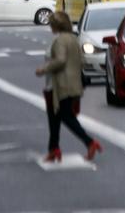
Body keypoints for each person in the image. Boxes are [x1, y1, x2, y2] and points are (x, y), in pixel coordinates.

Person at [34, 10, 101, 163]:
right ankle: (53, 149)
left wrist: (43, 69)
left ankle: (89, 142)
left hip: (59, 86)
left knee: (64, 116)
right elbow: (80, 61)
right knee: (54, 118)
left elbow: (60, 60)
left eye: (51, 24)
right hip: (72, 84)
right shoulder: (73, 39)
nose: (50, 27)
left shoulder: (60, 41)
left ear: (56, 25)